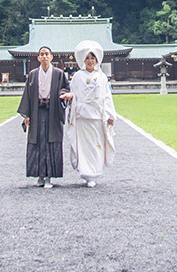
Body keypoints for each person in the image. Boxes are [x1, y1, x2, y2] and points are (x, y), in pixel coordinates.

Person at [61, 40, 116, 188]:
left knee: (96, 145)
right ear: (83, 60)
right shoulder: (77, 76)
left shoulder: (102, 77)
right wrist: (71, 98)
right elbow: (74, 94)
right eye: (87, 58)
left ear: (96, 60)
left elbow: (106, 98)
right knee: (84, 146)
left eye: (93, 58)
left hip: (97, 116)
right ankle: (86, 172)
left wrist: (110, 115)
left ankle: (94, 173)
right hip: (82, 116)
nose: (90, 61)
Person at [17, 46, 70, 189]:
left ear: (51, 57)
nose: (45, 57)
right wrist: (27, 115)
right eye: (42, 54)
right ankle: (40, 176)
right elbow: (27, 95)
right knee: (38, 142)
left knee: (51, 143)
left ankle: (49, 176)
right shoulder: (33, 74)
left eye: (47, 54)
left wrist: (63, 95)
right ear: (38, 58)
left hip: (53, 112)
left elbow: (66, 88)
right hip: (37, 112)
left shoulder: (59, 74)